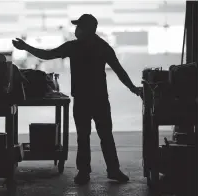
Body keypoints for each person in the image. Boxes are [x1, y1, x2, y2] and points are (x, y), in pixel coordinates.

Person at [12, 14, 142, 185]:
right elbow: (119, 71)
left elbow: (47, 54)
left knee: (83, 136)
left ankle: (84, 172)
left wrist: (25, 47)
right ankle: (112, 170)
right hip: (100, 99)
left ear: (86, 29)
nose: (76, 30)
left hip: (83, 99)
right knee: (105, 135)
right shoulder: (102, 47)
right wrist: (133, 88)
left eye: (78, 27)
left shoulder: (74, 47)